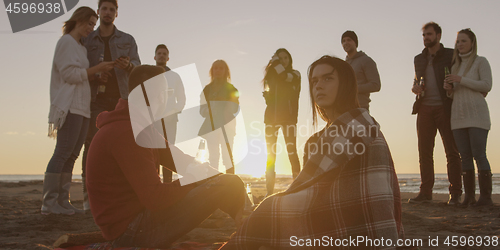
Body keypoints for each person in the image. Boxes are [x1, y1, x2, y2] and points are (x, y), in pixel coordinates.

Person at [220, 56, 403, 249]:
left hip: (360, 226)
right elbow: (311, 192)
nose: (319, 86)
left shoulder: (362, 126)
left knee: (268, 211)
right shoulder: (315, 141)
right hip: (326, 219)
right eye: (314, 81)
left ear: (346, 84)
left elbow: (379, 196)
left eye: (327, 79)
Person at [86, 65, 246, 248]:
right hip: (130, 231)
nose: (168, 98)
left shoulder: (140, 127)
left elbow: (183, 161)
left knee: (229, 182)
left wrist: (225, 185)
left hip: (133, 222)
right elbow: (155, 199)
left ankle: (243, 223)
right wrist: (195, 179)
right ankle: (246, 228)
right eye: (166, 92)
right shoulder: (127, 133)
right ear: (152, 95)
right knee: (228, 183)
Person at [42, 6, 114, 215]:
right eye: (90, 23)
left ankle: (63, 201)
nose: (91, 28)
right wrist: (97, 69)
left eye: (94, 24)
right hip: (69, 105)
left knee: (73, 154)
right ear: (78, 20)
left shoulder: (81, 48)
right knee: (62, 152)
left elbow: (81, 74)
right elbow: (70, 75)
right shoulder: (65, 42)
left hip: (83, 107)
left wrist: (96, 76)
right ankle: (49, 202)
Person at [81, 0, 141, 211]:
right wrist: (96, 75)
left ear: (117, 13)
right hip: (94, 99)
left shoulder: (127, 39)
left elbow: (138, 68)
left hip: (122, 101)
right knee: (92, 145)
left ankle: (125, 197)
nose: (108, 12)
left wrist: (129, 66)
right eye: (104, 9)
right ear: (98, 12)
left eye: (112, 9)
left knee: (127, 145)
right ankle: (89, 199)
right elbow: (80, 68)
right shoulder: (87, 39)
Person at [410, 22, 462, 205]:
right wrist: (415, 87)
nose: (426, 38)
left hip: (445, 107)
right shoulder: (419, 58)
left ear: (438, 35)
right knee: (424, 152)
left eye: (429, 35)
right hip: (424, 107)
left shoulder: (450, 55)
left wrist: (452, 87)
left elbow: (457, 76)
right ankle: (425, 192)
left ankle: (455, 193)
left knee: (452, 151)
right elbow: (418, 80)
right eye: (424, 35)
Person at [444, 29, 493, 207]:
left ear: (472, 42)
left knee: (479, 154)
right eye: (458, 41)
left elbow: (487, 85)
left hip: (477, 116)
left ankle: (486, 197)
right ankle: (469, 197)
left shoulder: (481, 62)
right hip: (458, 117)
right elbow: (455, 94)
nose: (460, 44)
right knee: (464, 156)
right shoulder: (455, 65)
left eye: (463, 41)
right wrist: (449, 89)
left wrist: (461, 79)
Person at [262, 48, 301, 196]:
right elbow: (268, 93)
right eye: (280, 58)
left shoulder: (295, 74)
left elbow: (285, 77)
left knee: (292, 153)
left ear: (289, 60)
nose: (284, 61)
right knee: (270, 155)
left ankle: (298, 187)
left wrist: (275, 61)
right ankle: (269, 191)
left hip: (289, 118)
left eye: (286, 58)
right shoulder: (271, 76)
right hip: (271, 118)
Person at [198, 60, 239, 174]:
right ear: (212, 71)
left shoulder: (231, 88)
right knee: (213, 157)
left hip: (227, 125)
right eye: (216, 68)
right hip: (211, 125)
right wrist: (207, 110)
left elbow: (236, 107)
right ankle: (214, 183)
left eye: (221, 68)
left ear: (226, 71)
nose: (218, 70)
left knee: (227, 158)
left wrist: (227, 106)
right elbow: (201, 108)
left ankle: (231, 185)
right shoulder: (207, 89)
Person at [154, 44, 186, 182]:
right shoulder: (148, 75)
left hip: (170, 121)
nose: (161, 56)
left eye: (164, 54)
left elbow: (182, 98)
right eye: (159, 53)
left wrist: (174, 112)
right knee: (153, 150)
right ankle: (154, 182)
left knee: (169, 152)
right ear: (155, 56)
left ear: (168, 58)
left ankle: (167, 182)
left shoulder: (175, 76)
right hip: (153, 120)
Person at [341, 30, 381, 111]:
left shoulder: (366, 60)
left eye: (349, 40)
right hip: (343, 109)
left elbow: (376, 85)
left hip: (360, 108)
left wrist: (353, 89)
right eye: (343, 41)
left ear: (355, 43)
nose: (346, 43)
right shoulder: (343, 65)